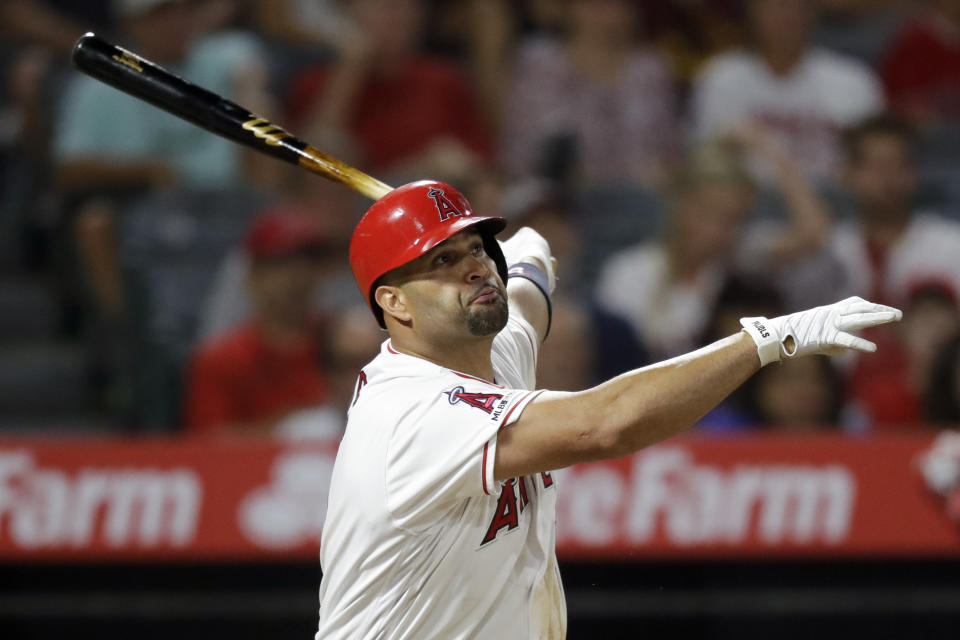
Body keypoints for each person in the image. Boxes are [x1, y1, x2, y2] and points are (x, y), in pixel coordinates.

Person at [316, 179, 901, 637]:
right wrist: (767, 340)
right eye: (441, 262)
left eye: (476, 248)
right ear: (394, 303)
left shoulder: (493, 352)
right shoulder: (410, 411)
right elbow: (604, 424)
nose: (474, 266)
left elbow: (528, 289)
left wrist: (526, 254)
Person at [691, 0, 883, 183]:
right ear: (752, 13)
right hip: (745, 203)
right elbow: (707, 161)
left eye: (797, 6)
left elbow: (871, 165)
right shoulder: (720, 77)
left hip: (832, 200)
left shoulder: (853, 80)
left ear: (813, 13)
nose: (787, 16)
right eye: (776, 6)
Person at [184, 210, 333, 437]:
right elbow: (209, 447)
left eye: (308, 263)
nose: (297, 276)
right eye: (281, 265)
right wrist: (286, 432)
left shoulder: (343, 345)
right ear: (253, 276)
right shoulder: (222, 359)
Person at [500, 0, 678, 186]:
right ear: (571, 9)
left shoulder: (651, 69)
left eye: (618, 5)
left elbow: (670, 150)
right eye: (594, 5)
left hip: (644, 199)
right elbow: (521, 153)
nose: (609, 14)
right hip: (558, 198)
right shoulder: (540, 63)